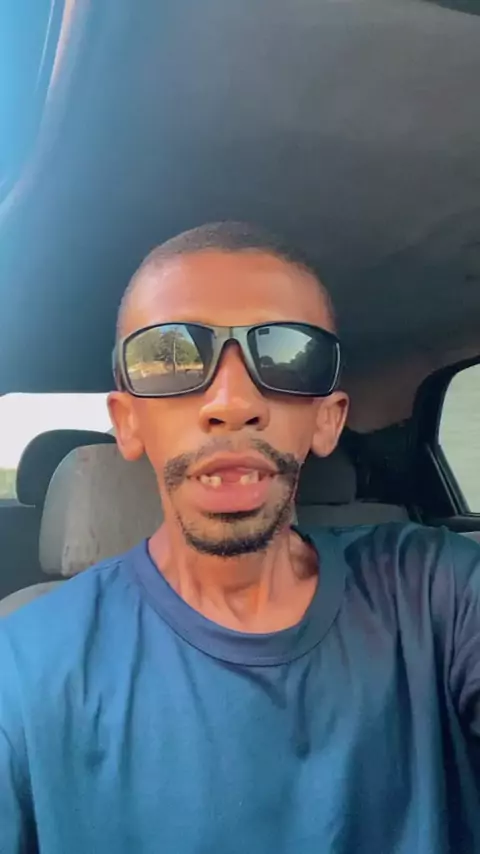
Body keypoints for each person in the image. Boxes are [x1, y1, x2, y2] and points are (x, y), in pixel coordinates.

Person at [1, 222, 480, 854]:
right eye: (171, 355)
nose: (231, 402)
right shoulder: (23, 668)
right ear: (128, 422)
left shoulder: (436, 590)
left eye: (286, 354)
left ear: (327, 420)